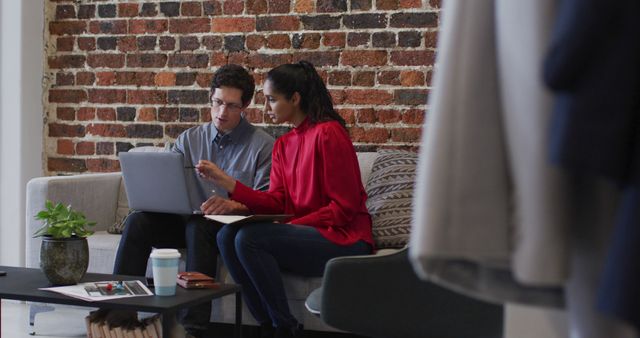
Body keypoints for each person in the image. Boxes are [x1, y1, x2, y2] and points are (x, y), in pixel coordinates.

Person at [196, 61, 374, 338]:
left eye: (271, 100)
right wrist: (226, 182)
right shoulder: (283, 145)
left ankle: (285, 328)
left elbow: (344, 209)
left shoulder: (329, 134)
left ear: (295, 98)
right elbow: (276, 202)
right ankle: (267, 325)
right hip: (305, 233)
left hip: (345, 238)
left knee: (249, 239)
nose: (266, 108)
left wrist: (291, 225)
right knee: (226, 236)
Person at [113, 64, 275, 338]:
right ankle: (118, 317)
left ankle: (193, 329)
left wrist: (237, 204)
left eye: (232, 106)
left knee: (199, 227)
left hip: (229, 228)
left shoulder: (263, 145)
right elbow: (167, 186)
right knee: (139, 222)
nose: (222, 112)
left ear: (245, 105)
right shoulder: (188, 139)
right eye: (218, 102)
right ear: (210, 98)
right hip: (186, 219)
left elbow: (268, 201)